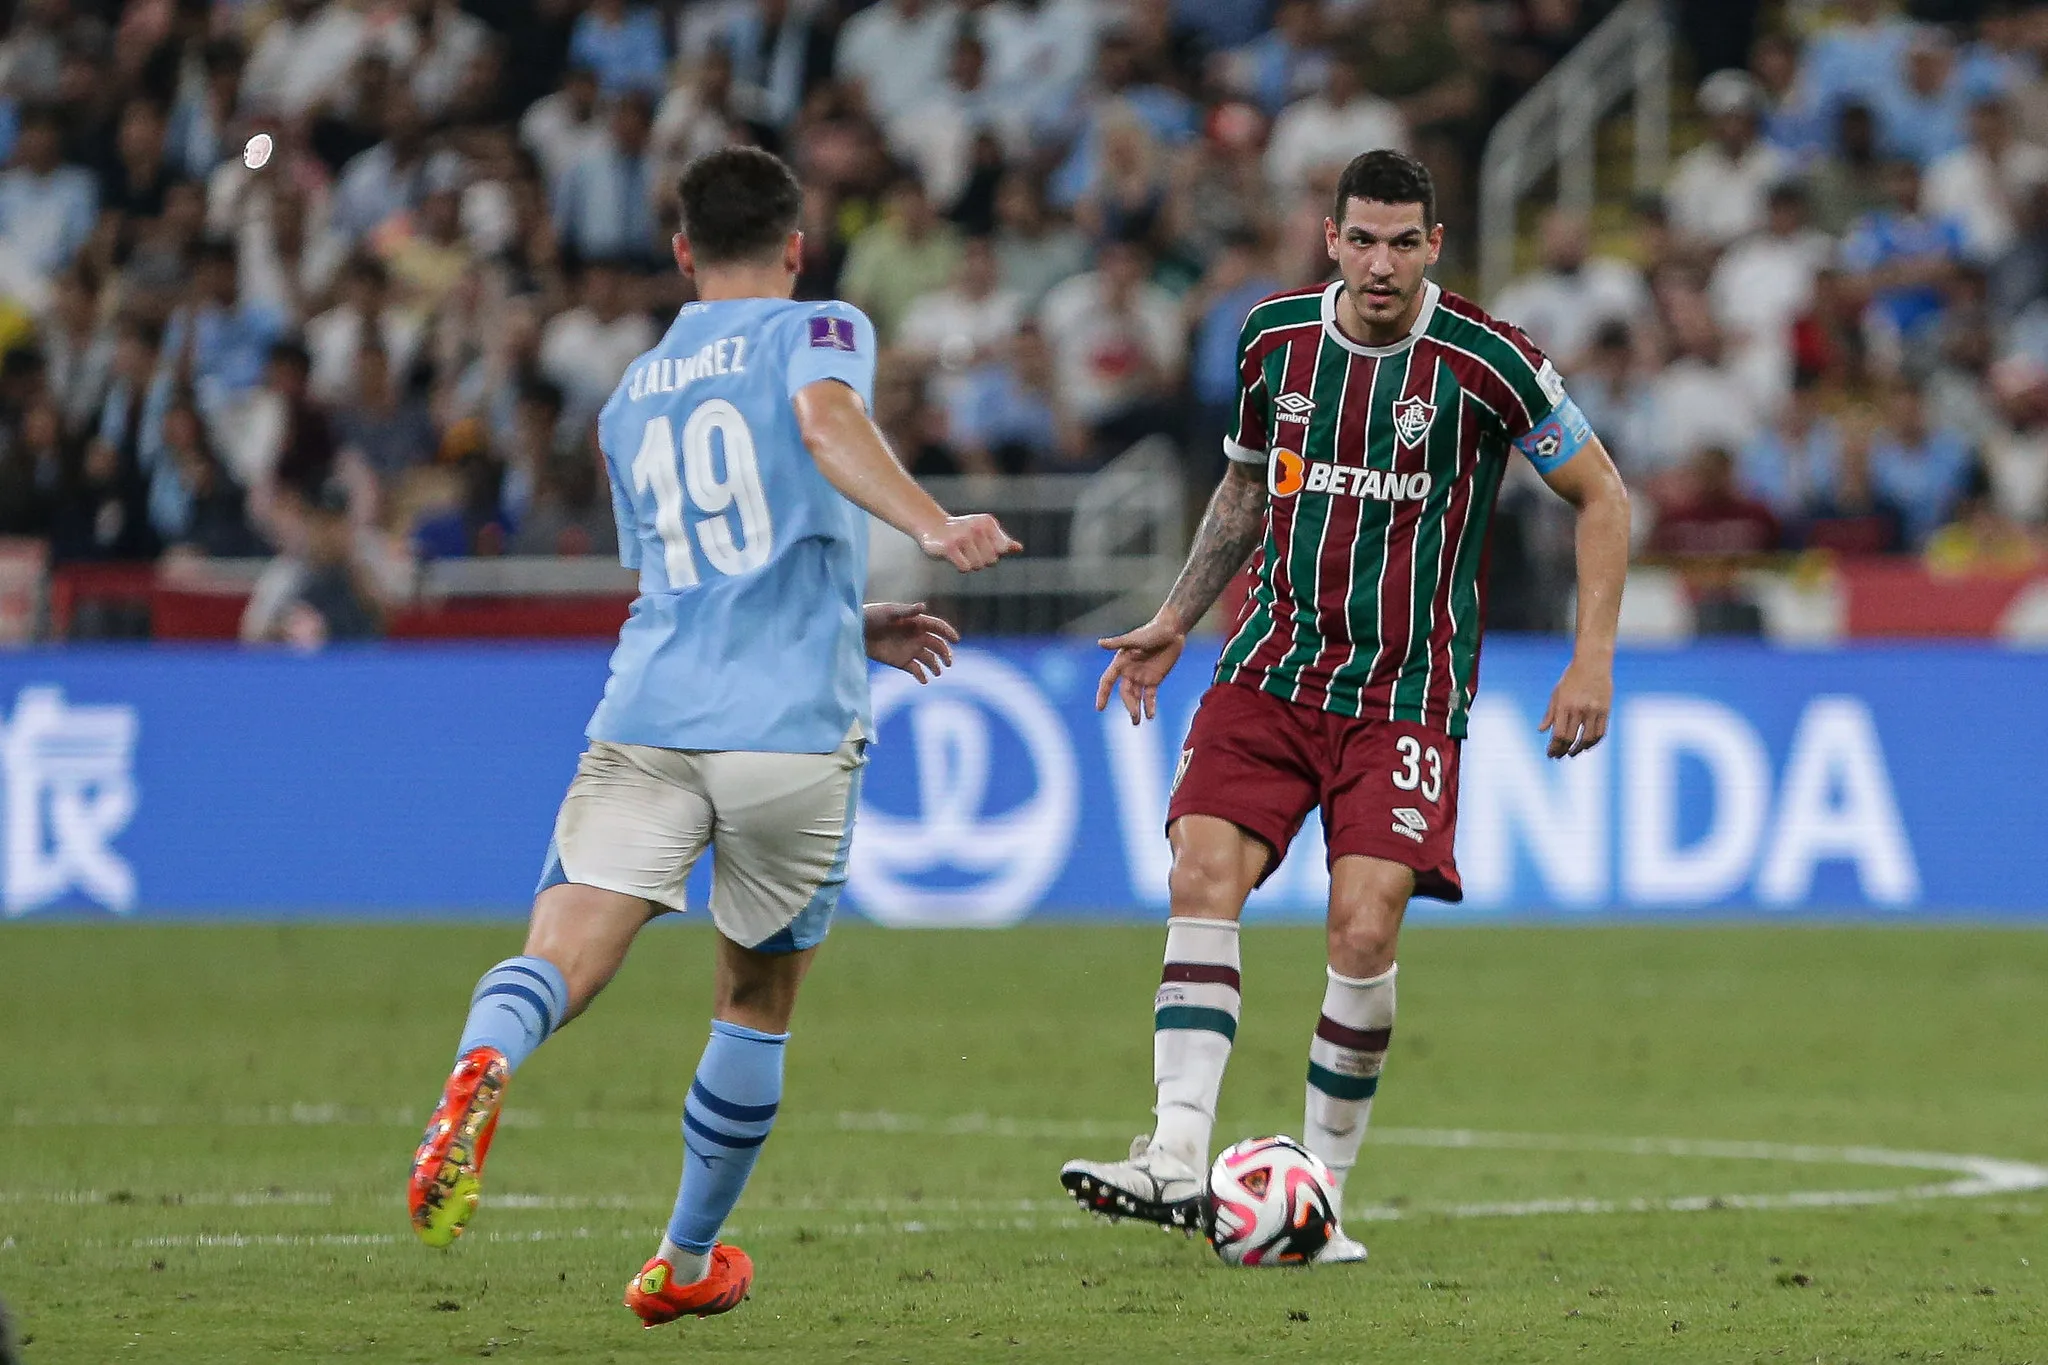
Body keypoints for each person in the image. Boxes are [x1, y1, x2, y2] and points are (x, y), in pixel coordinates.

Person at [404, 147, 1020, 1326]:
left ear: (682, 253)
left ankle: (486, 1062)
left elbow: (697, 575)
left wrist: (853, 612)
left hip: (650, 709)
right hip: (788, 731)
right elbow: (822, 423)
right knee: (752, 1000)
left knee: (564, 945)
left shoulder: (630, 391)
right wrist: (933, 527)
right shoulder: (819, 328)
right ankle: (684, 1265)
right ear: (795, 246)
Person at [1057, 151, 1630, 1262]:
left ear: (1433, 246)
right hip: (1268, 665)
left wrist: (1590, 658)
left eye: (1401, 242)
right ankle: (1175, 1155)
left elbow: (1600, 492)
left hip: (1405, 694)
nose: (1379, 264)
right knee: (1197, 872)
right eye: (1360, 240)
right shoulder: (1271, 338)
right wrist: (1178, 615)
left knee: (1362, 929)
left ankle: (1317, 1192)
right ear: (1329, 239)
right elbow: (1238, 485)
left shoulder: (1487, 361)